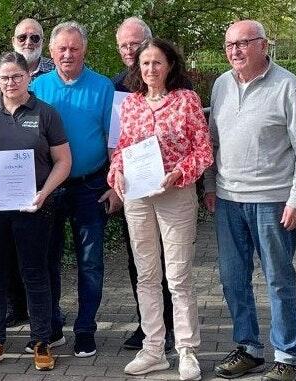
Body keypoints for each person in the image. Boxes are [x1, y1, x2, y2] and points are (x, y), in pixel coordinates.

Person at [204, 20, 296, 381]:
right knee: (233, 278)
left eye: (243, 43)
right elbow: (213, 142)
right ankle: (249, 349)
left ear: (264, 45)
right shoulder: (221, 85)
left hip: (273, 201)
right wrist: (209, 185)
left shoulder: (288, 86)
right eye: (229, 45)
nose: (235, 51)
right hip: (227, 200)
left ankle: (287, 356)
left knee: (279, 280)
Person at [107, 38, 212, 380]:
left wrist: (180, 172)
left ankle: (186, 351)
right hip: (137, 197)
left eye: (157, 63)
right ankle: (153, 348)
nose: (150, 69)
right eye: (145, 64)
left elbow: (203, 151)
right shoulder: (131, 104)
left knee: (178, 277)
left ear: (170, 65)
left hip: (175, 194)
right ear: (137, 68)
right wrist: (116, 172)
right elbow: (121, 148)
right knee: (147, 275)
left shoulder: (186, 100)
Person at [0, 51, 71, 371]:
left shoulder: (46, 113)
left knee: (34, 273)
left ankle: (41, 340)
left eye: (17, 77)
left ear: (28, 78)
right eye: (4, 77)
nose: (10, 83)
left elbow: (64, 161)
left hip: (33, 205)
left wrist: (44, 192)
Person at [30, 21, 119, 357]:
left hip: (90, 185)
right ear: (51, 52)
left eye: (74, 48)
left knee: (90, 262)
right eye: (61, 49)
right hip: (48, 188)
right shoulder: (38, 87)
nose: (68, 54)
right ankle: (51, 325)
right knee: (46, 258)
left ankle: (85, 329)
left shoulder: (103, 87)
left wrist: (115, 184)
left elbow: (115, 141)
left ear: (85, 50)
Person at [0, 18, 57, 329]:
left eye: (34, 37)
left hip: (38, 191)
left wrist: (45, 190)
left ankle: (45, 325)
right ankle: (14, 315)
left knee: (41, 263)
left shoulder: (51, 80)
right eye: (22, 36)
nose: (28, 41)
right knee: (4, 264)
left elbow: (59, 151)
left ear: (28, 78)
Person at [112, 17, 176, 352]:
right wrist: (114, 179)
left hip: (169, 188)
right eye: (124, 44)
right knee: (140, 260)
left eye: (135, 44)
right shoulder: (116, 86)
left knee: (171, 262)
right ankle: (147, 326)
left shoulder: (174, 83)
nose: (130, 50)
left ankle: (172, 327)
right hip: (133, 188)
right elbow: (116, 142)